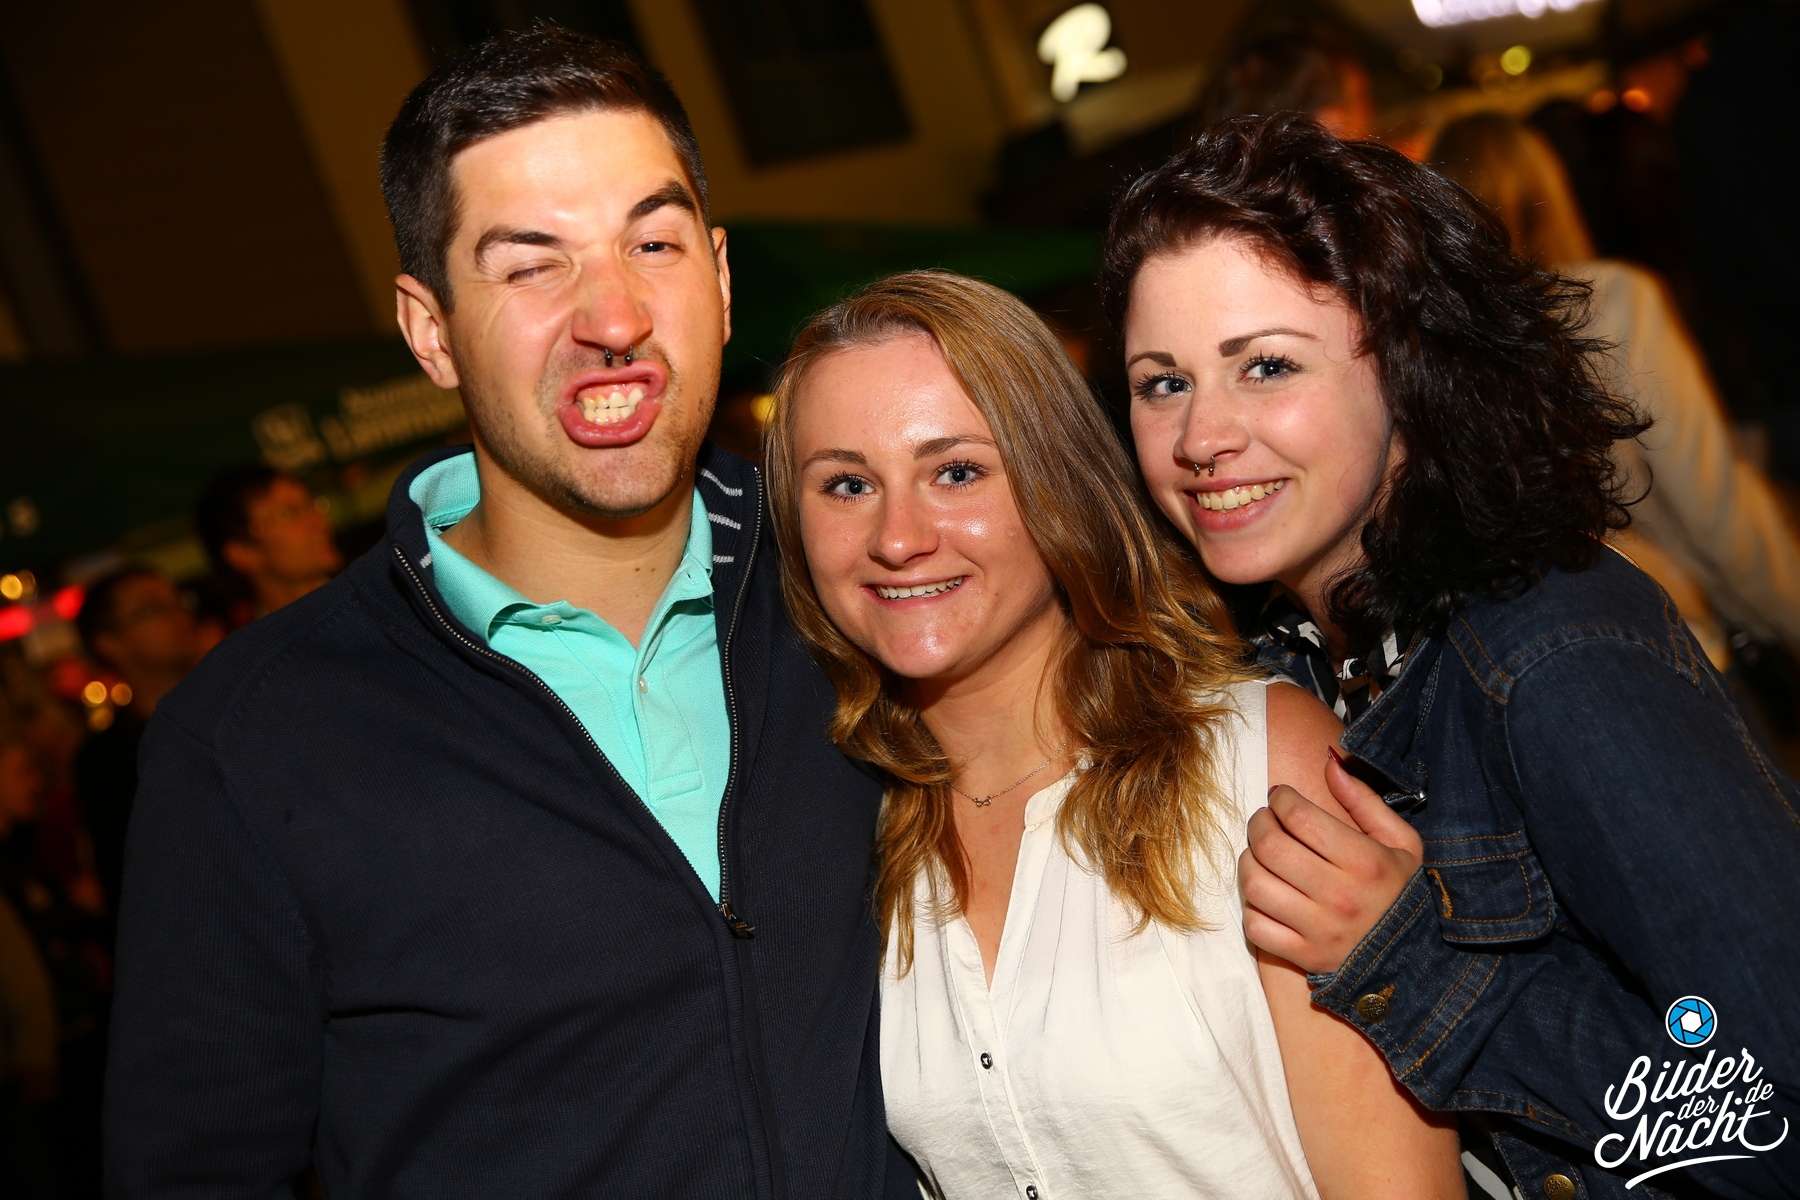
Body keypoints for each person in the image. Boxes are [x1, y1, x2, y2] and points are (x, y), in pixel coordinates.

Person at [107, 29, 909, 1199]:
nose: (614, 315)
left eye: (653, 242)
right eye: (532, 266)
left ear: (721, 277)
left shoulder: (874, 586)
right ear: (430, 330)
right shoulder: (254, 740)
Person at [1105, 112, 1800, 1197]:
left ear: (1413, 376)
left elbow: (1771, 1117)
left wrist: (1416, 961)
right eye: (1163, 382)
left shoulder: (1552, 657)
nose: (1202, 437)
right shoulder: (1295, 658)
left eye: (1267, 366)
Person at [764, 270, 1462, 1198]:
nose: (898, 537)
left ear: (1058, 481)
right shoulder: (848, 832)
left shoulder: (1259, 764)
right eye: (846, 485)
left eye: (956, 472)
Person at [1429, 112, 1800, 674]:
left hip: (1564, 650)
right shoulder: (1613, 301)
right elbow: (1713, 506)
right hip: (1683, 635)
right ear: (1549, 190)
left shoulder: (1437, 347)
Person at [73, 567, 203, 913]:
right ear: (110, 643)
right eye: (154, 609)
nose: (179, 615)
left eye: (178, 601)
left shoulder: (240, 710)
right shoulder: (107, 761)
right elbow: (127, 877)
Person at [192, 464, 343, 620]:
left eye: (312, 505)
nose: (319, 522)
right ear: (243, 552)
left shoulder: (356, 600)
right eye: (289, 513)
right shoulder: (255, 635)